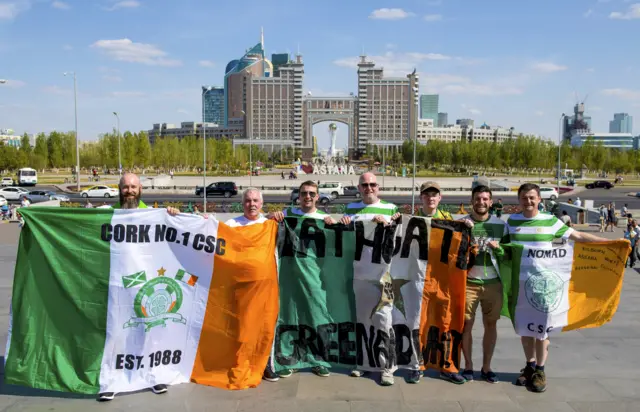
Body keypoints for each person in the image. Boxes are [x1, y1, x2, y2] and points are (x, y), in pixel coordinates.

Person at [505, 183, 607, 393]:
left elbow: (576, 236)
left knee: (542, 331)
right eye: (524, 198)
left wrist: (607, 243)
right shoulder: (512, 222)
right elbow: (506, 250)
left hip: (545, 287)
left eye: (532, 197)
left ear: (539, 199)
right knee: (525, 330)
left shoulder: (550, 222)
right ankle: (530, 365)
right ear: (519, 200)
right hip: (521, 286)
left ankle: (540, 370)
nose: (528, 201)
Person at [98, 173, 179, 402]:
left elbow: (179, 228)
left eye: (133, 187)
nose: (129, 191)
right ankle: (111, 380)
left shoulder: (153, 214)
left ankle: (153, 375)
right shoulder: (107, 214)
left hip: (146, 286)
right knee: (116, 333)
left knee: (149, 332)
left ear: (140, 189)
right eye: (126, 187)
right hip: (116, 285)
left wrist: (174, 214)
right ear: (119, 189)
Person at [269, 181, 337, 380]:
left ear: (317, 196)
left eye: (311, 193)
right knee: (289, 316)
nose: (307, 196)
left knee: (316, 315)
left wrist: (337, 227)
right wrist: (271, 217)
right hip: (288, 277)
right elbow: (263, 224)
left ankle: (318, 360)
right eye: (304, 193)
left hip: (314, 276)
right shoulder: (288, 215)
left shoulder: (324, 219)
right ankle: (288, 358)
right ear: (298, 196)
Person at [339, 172, 401, 386]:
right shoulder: (351, 209)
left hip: (385, 276)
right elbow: (345, 240)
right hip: (360, 275)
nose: (369, 188)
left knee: (385, 320)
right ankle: (363, 363)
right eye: (364, 185)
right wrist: (343, 223)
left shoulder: (391, 208)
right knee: (362, 321)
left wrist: (389, 224)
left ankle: (387, 367)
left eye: (372, 184)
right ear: (358, 187)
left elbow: (399, 238)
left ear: (378, 187)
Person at [457, 185, 507, 386]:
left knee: (491, 325)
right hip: (468, 283)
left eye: (485, 199)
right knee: (466, 325)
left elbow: (508, 254)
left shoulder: (501, 226)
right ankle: (468, 366)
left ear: (491, 202)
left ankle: (486, 367)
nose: (481, 202)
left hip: (493, 283)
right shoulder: (462, 223)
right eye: (477, 199)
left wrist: (500, 251)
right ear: (472, 201)